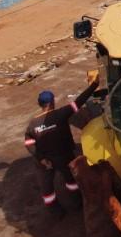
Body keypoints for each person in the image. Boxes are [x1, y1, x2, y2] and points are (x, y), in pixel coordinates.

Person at [25, 73, 99, 211]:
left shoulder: (32, 124)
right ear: (52, 102)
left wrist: (41, 158)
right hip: (64, 156)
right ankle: (77, 204)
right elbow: (79, 102)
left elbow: (29, 143)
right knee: (71, 180)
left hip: (45, 160)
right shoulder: (61, 114)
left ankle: (54, 211)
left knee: (47, 187)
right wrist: (94, 85)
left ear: (39, 104)